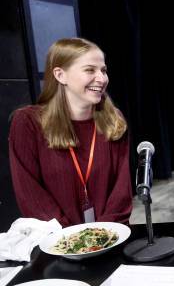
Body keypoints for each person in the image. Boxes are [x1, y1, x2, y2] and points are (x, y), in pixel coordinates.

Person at [9, 38, 132, 227]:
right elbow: (30, 194)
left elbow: (121, 192)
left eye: (104, 70)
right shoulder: (28, 123)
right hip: (58, 244)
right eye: (90, 70)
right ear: (60, 75)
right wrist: (73, 240)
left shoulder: (113, 120)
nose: (102, 78)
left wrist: (101, 235)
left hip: (110, 238)